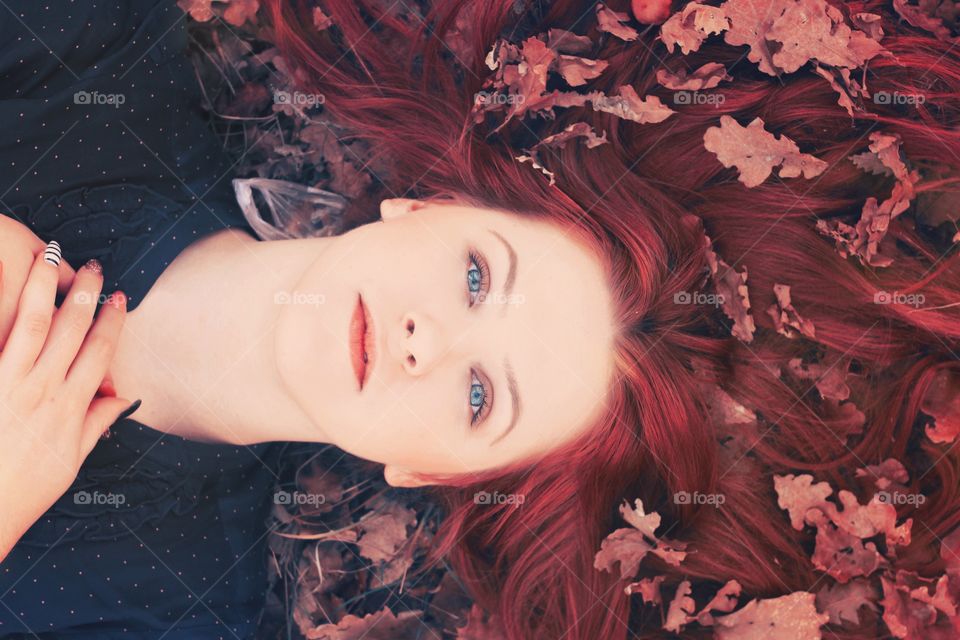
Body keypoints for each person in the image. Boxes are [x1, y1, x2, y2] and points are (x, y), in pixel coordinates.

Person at [1, 2, 958, 640]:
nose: (429, 341)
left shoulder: (165, 613)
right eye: (473, 280)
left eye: (477, 393)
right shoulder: (88, 54)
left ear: (439, 474)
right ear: (431, 208)